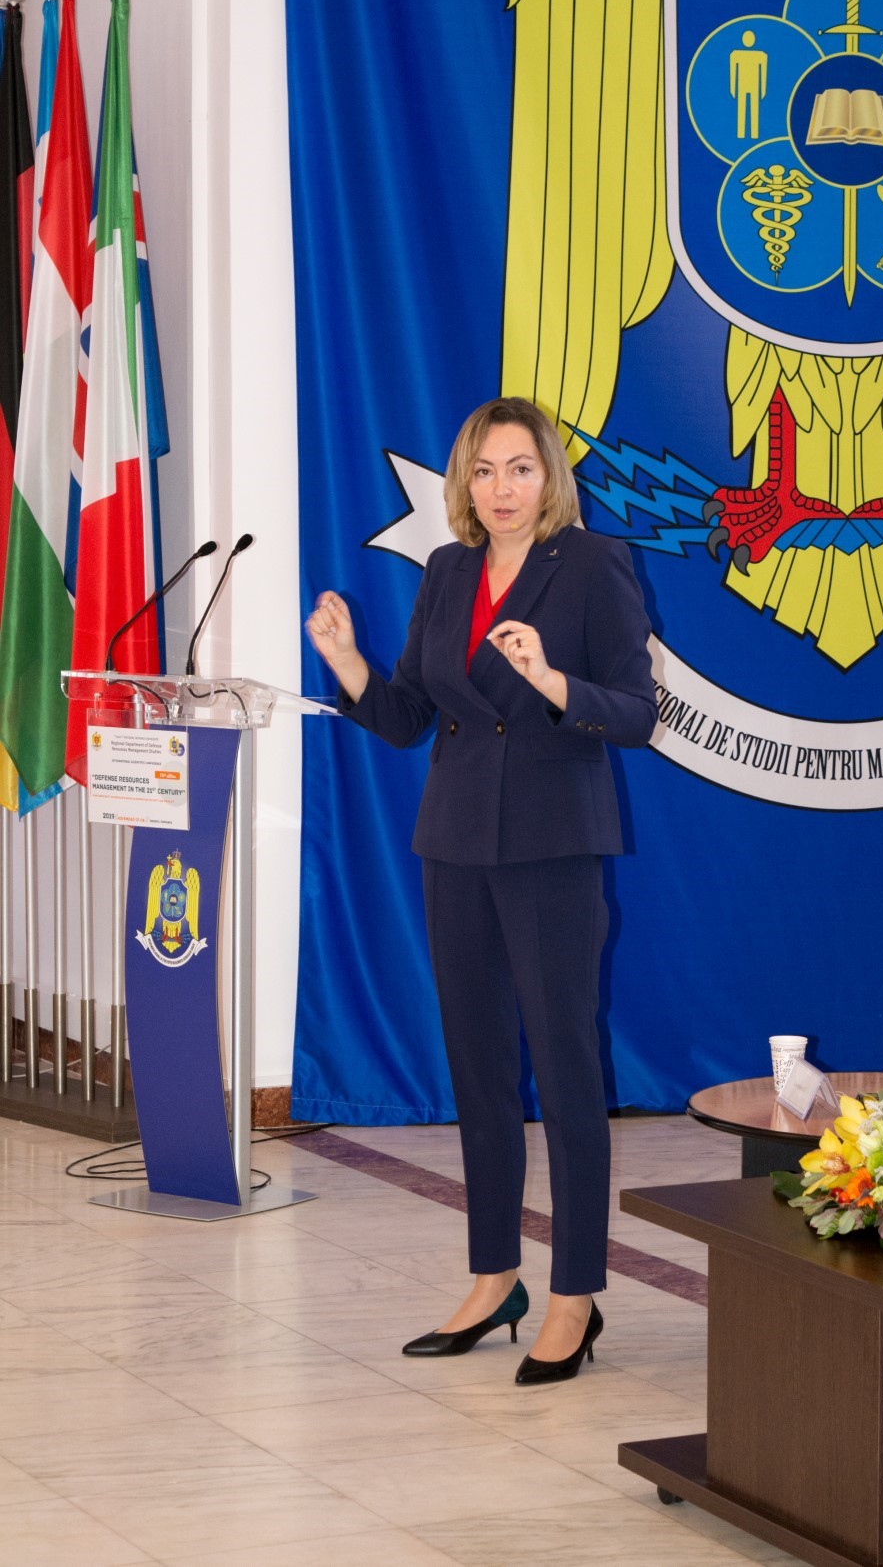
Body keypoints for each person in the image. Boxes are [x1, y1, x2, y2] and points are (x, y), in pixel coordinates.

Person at [306, 396, 657, 1384]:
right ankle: (494, 1276)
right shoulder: (448, 569)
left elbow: (636, 715)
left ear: (550, 478)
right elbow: (409, 718)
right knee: (478, 1072)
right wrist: (349, 666)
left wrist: (550, 682)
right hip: (455, 844)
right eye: (486, 470)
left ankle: (574, 1294)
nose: (502, 489)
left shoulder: (592, 565)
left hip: (551, 848)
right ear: (465, 481)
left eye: (520, 469)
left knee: (568, 1073)